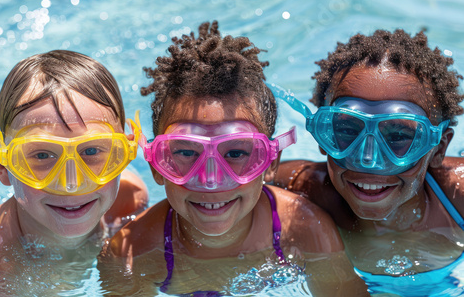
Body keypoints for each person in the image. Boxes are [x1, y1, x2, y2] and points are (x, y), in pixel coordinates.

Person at [98, 21, 369, 296]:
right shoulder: (132, 253)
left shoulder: (303, 230)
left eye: (236, 153)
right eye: (187, 152)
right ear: (157, 164)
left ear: (270, 163)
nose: (212, 180)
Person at [272, 29, 464, 296]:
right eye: (348, 131)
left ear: (439, 147)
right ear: (321, 135)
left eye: (398, 136)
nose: (368, 159)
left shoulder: (457, 197)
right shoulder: (303, 189)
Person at [0, 50, 148, 296]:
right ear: (2, 165)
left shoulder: (129, 201)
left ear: (123, 154)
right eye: (42, 155)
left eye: (91, 150)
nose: (71, 183)